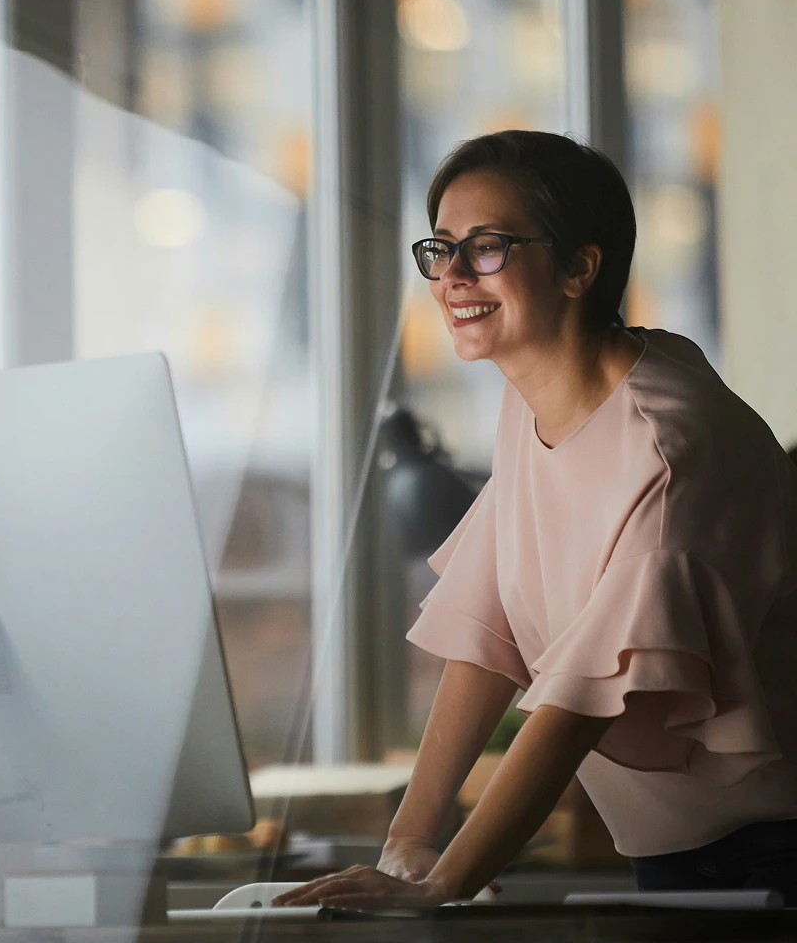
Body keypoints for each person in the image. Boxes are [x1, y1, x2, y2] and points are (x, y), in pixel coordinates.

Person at [275, 130, 797, 908]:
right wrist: (411, 842)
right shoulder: (537, 402)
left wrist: (446, 881)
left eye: (487, 246)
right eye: (441, 247)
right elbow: (488, 632)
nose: (453, 275)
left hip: (775, 847)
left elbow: (575, 705)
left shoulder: (668, 448)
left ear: (580, 268)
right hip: (675, 848)